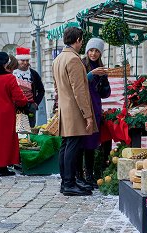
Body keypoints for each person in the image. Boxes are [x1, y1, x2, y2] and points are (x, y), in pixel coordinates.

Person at [52, 26, 98, 196]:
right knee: (73, 146)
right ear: (78, 40)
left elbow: (57, 87)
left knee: (66, 145)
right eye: (82, 40)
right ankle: (69, 183)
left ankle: (66, 181)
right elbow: (79, 90)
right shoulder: (73, 59)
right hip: (75, 109)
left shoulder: (58, 59)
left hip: (65, 108)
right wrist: (88, 115)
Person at [79, 37, 111, 189]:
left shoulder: (101, 67)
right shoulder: (81, 64)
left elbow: (106, 94)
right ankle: (80, 175)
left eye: (97, 51)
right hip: (84, 107)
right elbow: (77, 84)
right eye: (91, 50)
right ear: (87, 51)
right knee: (82, 142)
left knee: (92, 142)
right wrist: (91, 74)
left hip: (96, 106)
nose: (93, 54)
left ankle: (90, 175)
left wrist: (104, 80)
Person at [13, 47, 45, 127]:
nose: (25, 63)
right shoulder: (12, 73)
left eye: (27, 60)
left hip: (30, 106)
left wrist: (36, 103)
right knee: (16, 131)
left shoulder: (33, 74)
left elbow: (41, 90)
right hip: (15, 107)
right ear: (17, 60)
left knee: (29, 130)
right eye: (22, 60)